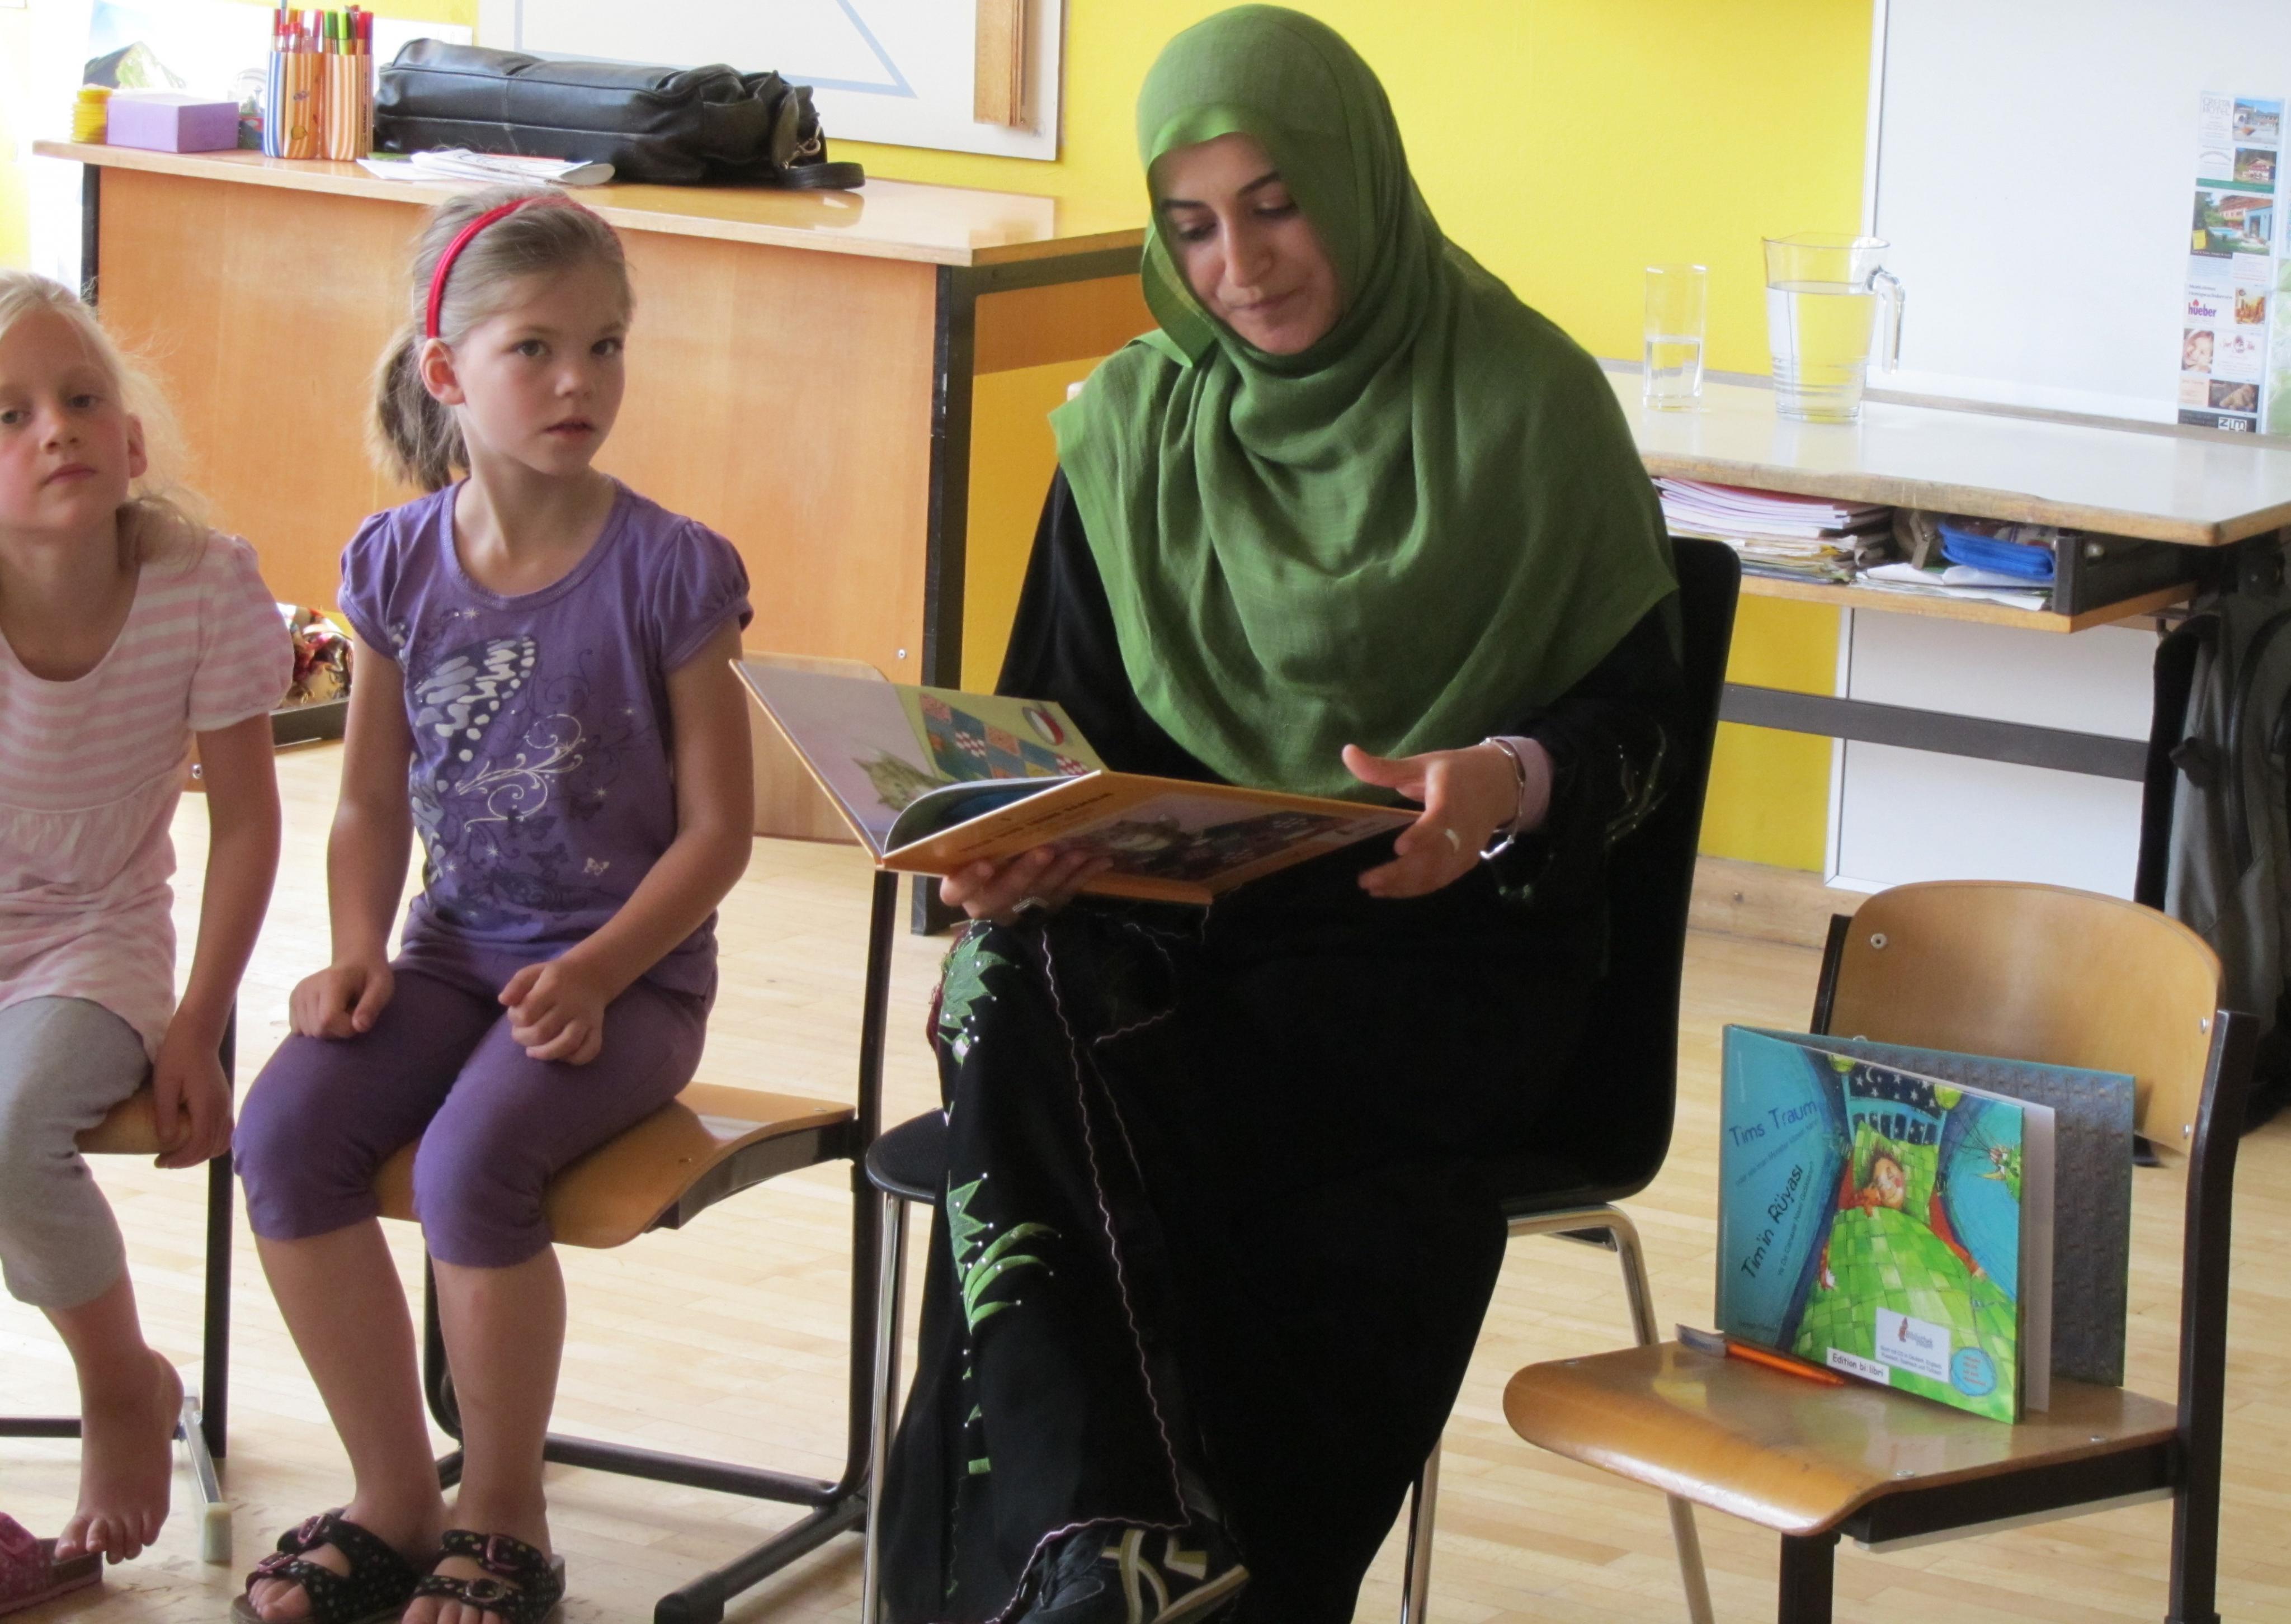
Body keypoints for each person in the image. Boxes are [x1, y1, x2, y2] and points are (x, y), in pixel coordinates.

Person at [877, 10, 1687, 1622]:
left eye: (1275, 204)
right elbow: (1054, 735)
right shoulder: (1133, 430)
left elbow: (1639, 734)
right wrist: (1019, 850)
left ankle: (1106, 1548)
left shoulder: (1527, 403)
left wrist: (1506, 780)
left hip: (1426, 947)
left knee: (1062, 1133)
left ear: (1356, 181)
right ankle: (1124, 1551)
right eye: (1191, 226)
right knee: (1006, 982)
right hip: (1178, 942)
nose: (1237, 266)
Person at [233, 188, 756, 1624]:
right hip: (451, 958)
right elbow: (367, 801)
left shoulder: (672, 569)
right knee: (282, 1136)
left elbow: (717, 834)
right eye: (535, 349)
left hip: (631, 984)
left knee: (473, 1165)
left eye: (605, 345)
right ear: (446, 371)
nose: (579, 380)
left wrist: (599, 972)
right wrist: (354, 950)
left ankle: (504, 1513)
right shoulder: (393, 563)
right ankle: (395, 1498)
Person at [0, 272, 287, 1568]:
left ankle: (120, 1382)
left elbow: (250, 825)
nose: (54, 429)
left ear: (131, 439)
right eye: (8, 415)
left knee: (11, 1131)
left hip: (96, 939)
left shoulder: (201, 583)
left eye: (79, 398)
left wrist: (197, 1029)